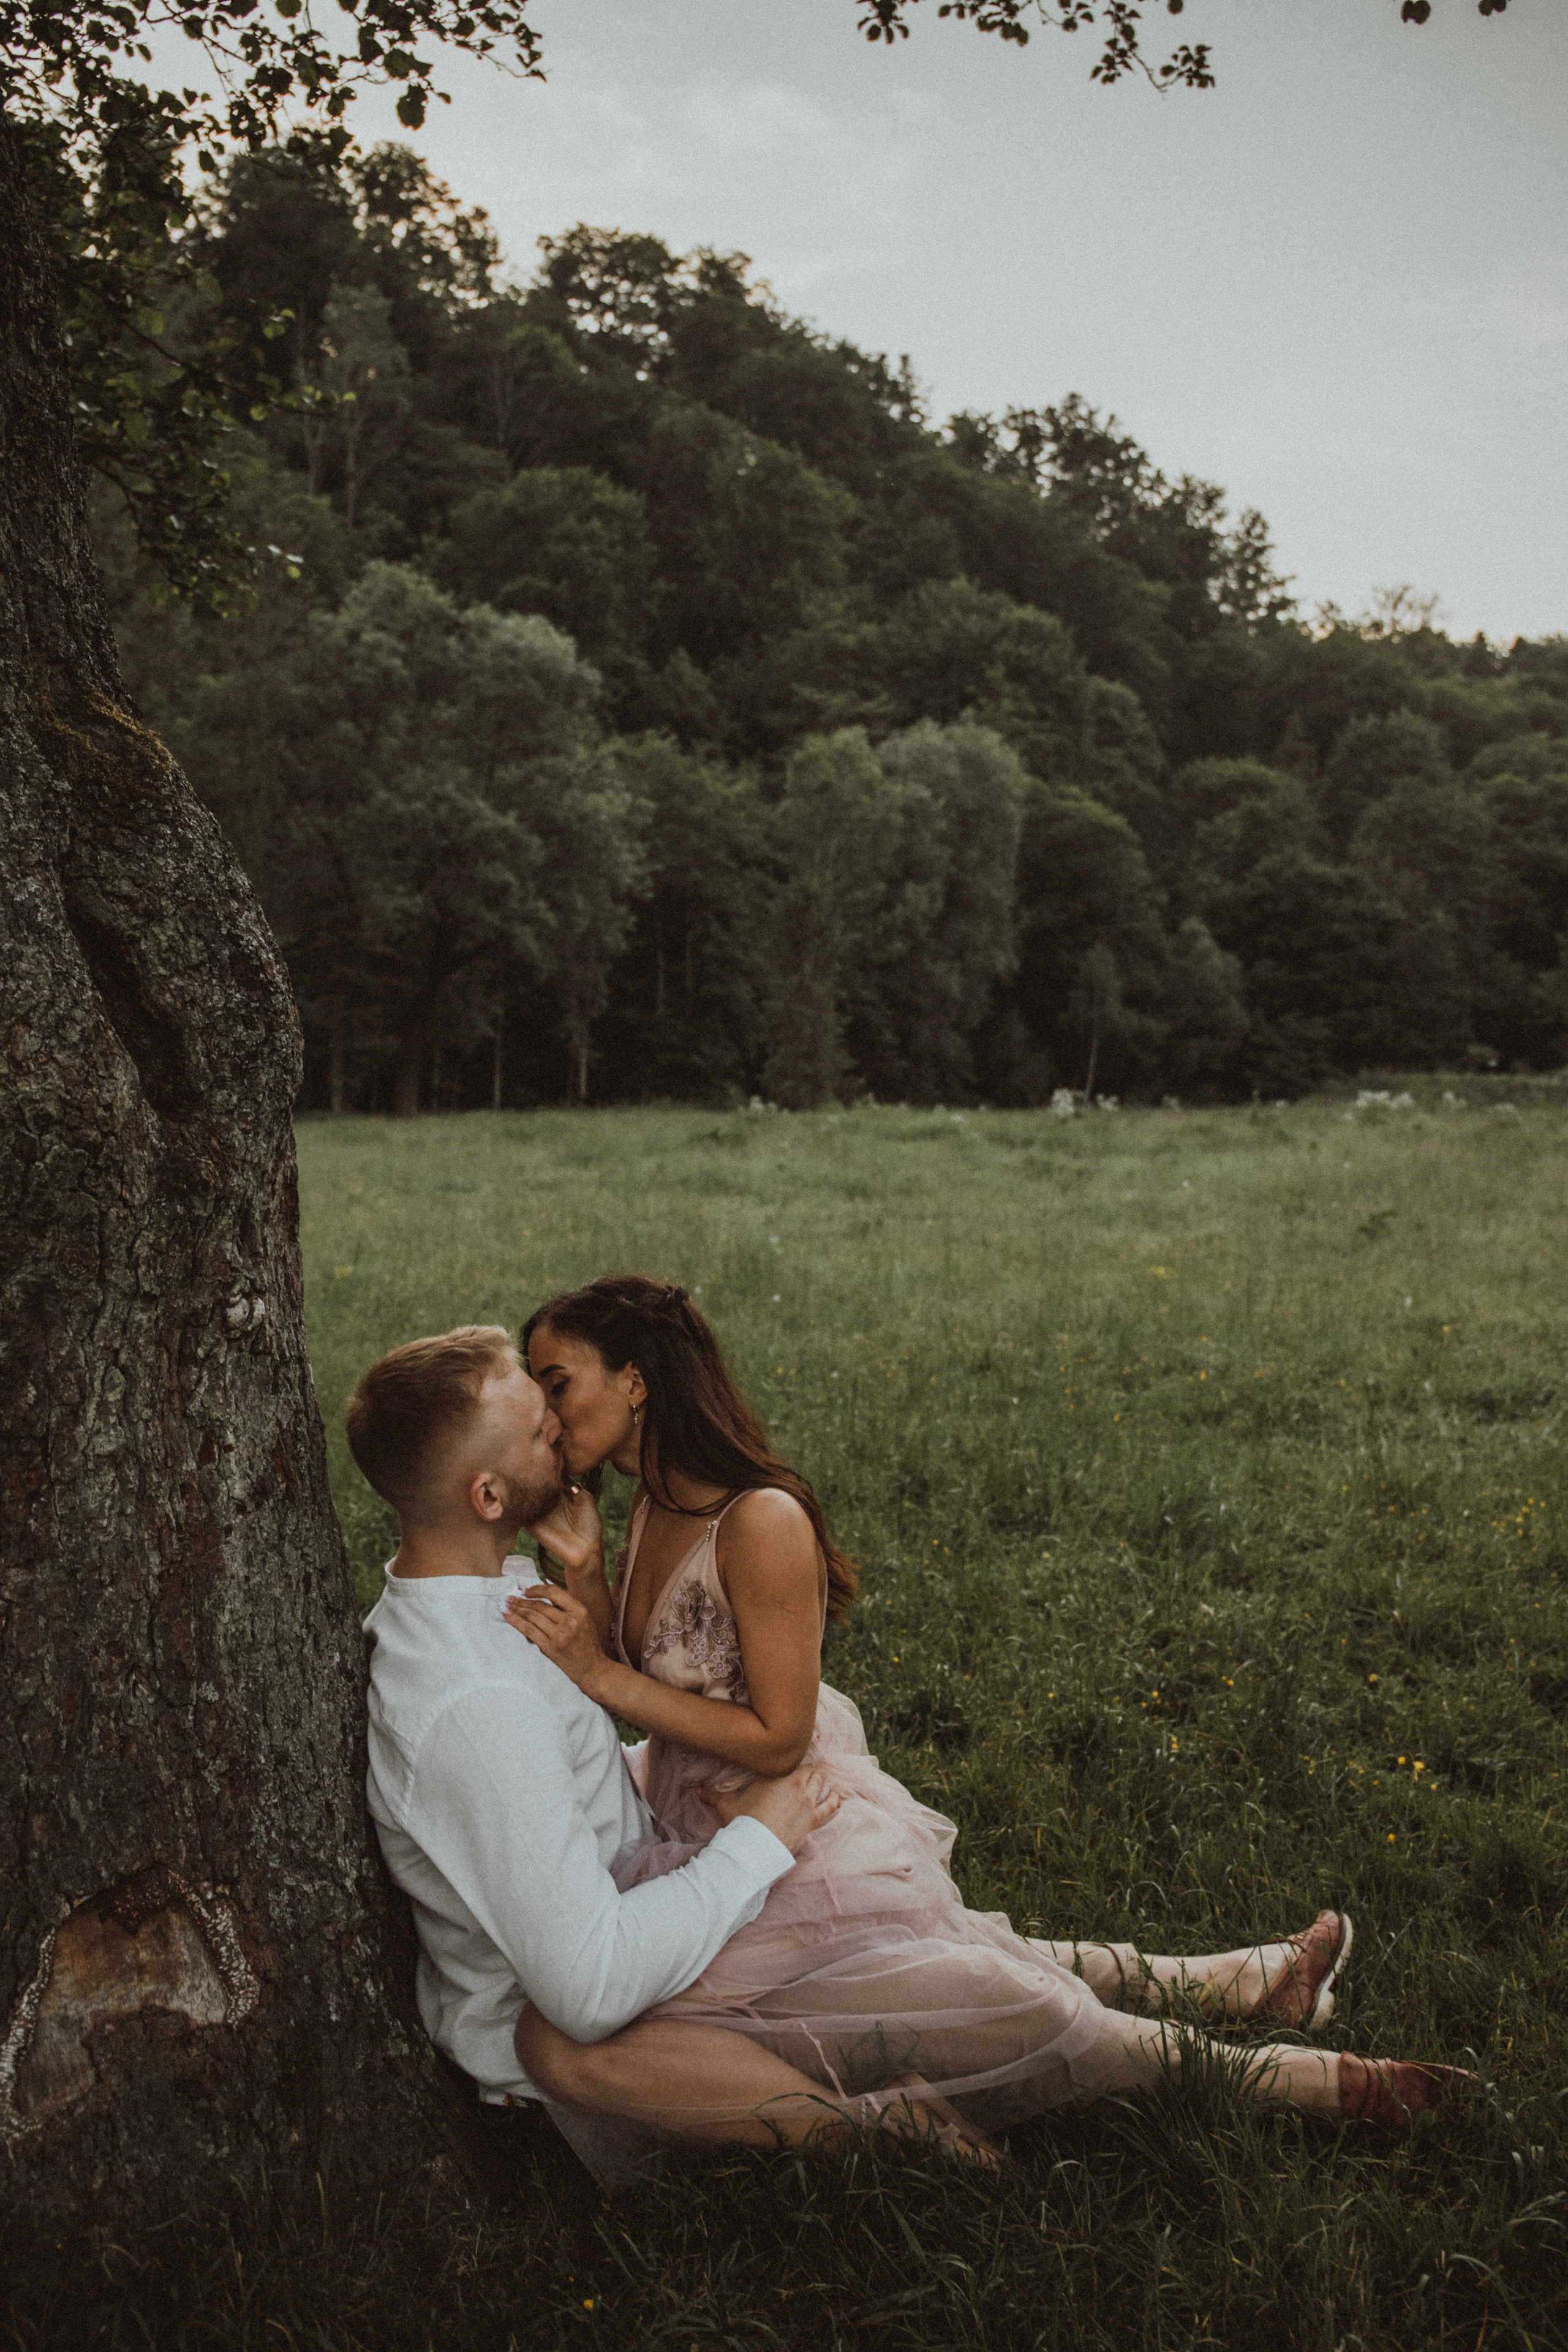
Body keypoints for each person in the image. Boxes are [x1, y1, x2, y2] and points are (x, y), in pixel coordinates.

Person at [501, 1273, 1469, 2164]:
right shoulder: (646, 1504)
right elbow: (670, 1676)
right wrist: (587, 1577)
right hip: (698, 1817)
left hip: (785, 1821)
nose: (544, 1415)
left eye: (557, 1382)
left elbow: (779, 1736)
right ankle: (1246, 1982)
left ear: (635, 1379)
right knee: (948, 1963)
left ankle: (1322, 2087)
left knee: (988, 1998)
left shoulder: (758, 1522)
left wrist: (600, 1675)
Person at [354, 1322, 1035, 2168]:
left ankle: (1181, 1984)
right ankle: (903, 2136)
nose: (561, 1430)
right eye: (538, 1432)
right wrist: (757, 1842)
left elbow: (564, 1765)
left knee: (901, 1927)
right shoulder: (472, 1702)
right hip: (614, 2010)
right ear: (488, 1498)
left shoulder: (480, 1587)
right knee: (947, 1985)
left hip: (651, 1900)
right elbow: (591, 1986)